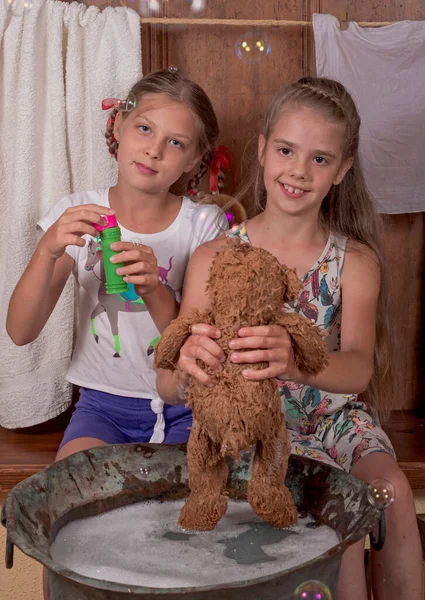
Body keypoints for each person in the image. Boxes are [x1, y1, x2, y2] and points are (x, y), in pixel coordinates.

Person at [155, 77, 423, 599]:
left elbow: (359, 367)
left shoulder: (355, 261)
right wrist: (186, 366)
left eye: (320, 159)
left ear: (343, 170)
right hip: (258, 435)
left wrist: (298, 363)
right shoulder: (216, 258)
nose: (298, 171)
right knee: (334, 522)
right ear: (262, 149)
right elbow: (167, 383)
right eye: (285, 150)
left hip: (335, 421)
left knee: (391, 489)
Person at [6, 68, 229, 460]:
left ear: (195, 159)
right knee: (73, 495)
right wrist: (48, 250)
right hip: (100, 408)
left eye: (175, 142)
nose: (154, 150)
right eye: (144, 129)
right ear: (120, 125)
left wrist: (155, 290)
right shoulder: (75, 213)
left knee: (188, 510)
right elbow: (20, 332)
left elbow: (200, 343)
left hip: (188, 405)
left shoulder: (204, 225)